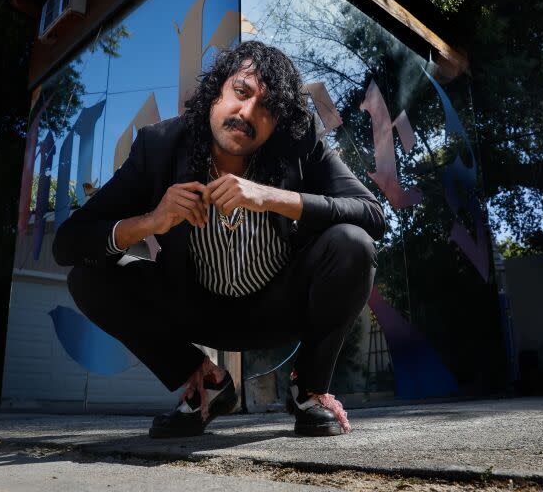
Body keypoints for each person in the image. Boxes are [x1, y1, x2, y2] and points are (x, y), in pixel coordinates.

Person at [53, 40, 385, 438]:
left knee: (353, 244)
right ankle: (205, 382)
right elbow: (69, 242)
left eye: (267, 109)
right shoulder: (159, 147)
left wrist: (274, 198)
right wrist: (150, 222)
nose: (247, 113)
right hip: (194, 306)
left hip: (278, 305)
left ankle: (309, 390)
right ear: (216, 91)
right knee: (87, 278)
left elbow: (372, 214)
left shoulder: (299, 144)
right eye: (241, 93)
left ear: (278, 123)